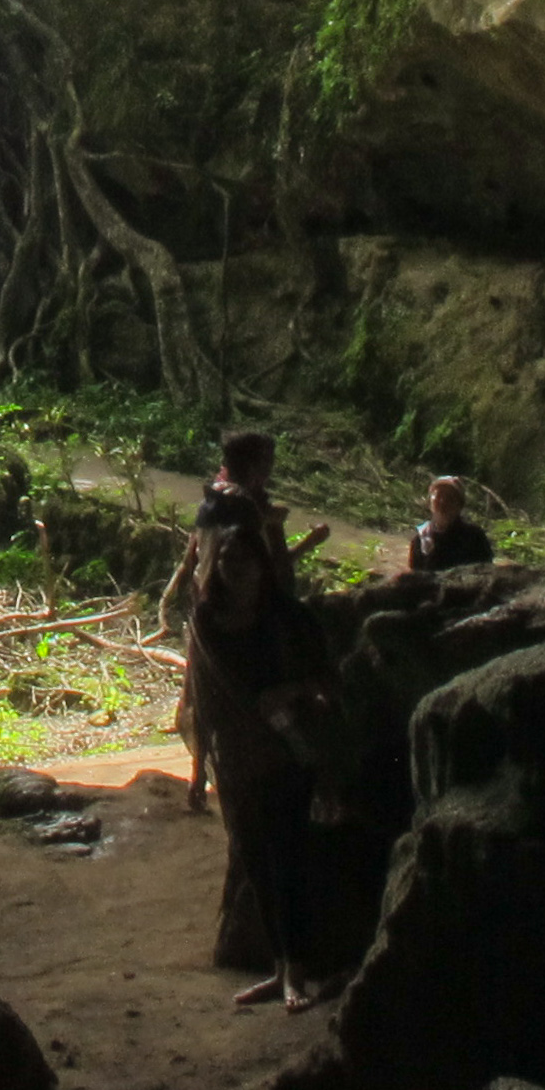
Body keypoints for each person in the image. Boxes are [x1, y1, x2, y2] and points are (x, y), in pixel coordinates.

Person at [180, 429, 335, 1009]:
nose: (239, 569)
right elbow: (204, 687)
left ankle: (296, 969)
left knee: (287, 854)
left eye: (252, 559)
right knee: (256, 857)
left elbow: (324, 681)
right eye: (231, 560)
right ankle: (279, 965)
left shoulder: (283, 621)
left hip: (280, 751)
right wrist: (202, 762)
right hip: (239, 754)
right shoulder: (211, 622)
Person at [404, 474, 495, 573]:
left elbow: (487, 576)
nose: (443, 502)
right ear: (430, 503)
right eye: (438, 496)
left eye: (450, 498)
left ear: (460, 505)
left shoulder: (475, 537)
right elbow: (416, 579)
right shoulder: (420, 540)